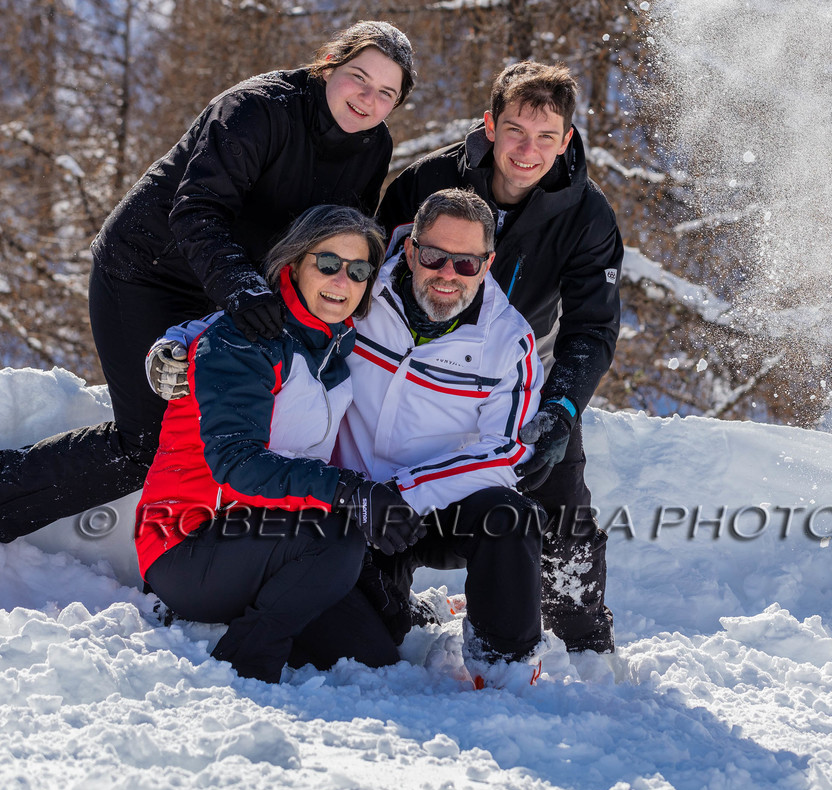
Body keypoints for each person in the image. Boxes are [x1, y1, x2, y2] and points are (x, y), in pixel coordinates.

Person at [0, 21, 417, 542]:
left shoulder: (372, 147)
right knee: (146, 441)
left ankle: (211, 560)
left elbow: (338, 236)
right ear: (329, 65)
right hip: (148, 270)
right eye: (358, 77)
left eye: (386, 93)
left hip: (235, 290)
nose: (367, 99)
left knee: (230, 430)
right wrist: (239, 286)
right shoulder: (257, 109)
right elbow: (197, 208)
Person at [152, 189, 548, 679]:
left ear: (487, 263)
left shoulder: (507, 340)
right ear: (411, 250)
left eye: (465, 263)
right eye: (435, 256)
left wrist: (398, 494)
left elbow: (506, 450)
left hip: (410, 505)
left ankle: (503, 665)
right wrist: (179, 340)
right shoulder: (361, 297)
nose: (448, 273)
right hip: (323, 513)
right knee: (357, 612)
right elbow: (248, 324)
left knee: (506, 521)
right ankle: (252, 648)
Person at [374, 61, 623, 655]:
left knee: (559, 502)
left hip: (518, 377)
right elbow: (373, 267)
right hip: (415, 364)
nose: (526, 149)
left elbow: (592, 328)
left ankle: (584, 638)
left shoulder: (587, 216)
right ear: (490, 125)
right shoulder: (428, 181)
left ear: (566, 140)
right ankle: (387, 607)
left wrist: (561, 408)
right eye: (514, 129)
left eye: (544, 136)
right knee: (383, 476)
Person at [135, 205, 424, 684]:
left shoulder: (334, 350)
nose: (341, 280)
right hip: (189, 544)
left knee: (377, 651)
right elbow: (237, 464)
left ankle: (271, 616)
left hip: (270, 542)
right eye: (328, 264)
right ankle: (244, 662)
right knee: (335, 536)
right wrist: (348, 491)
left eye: (358, 271)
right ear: (293, 264)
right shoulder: (245, 337)